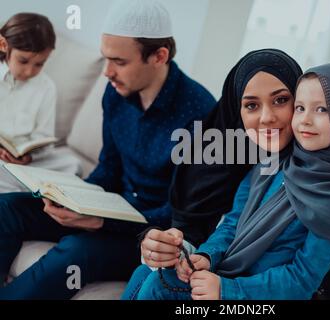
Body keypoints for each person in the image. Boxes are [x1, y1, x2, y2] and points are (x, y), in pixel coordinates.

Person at [0, 0, 216, 299]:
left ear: (159, 56)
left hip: (147, 235)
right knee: (7, 208)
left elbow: (184, 217)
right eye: (105, 59)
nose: (107, 72)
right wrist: (74, 201)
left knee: (74, 251)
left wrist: (102, 221)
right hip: (110, 208)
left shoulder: (202, 116)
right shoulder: (116, 94)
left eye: (119, 62)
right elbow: (109, 169)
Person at [124, 62, 330, 300]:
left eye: (322, 110)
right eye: (300, 108)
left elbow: (303, 280)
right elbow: (232, 224)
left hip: (257, 293)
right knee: (151, 275)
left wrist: (228, 290)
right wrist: (207, 256)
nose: (305, 120)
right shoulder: (272, 163)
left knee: (159, 284)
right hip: (231, 274)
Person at [0, 13, 81, 193]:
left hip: (26, 160)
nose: (29, 71)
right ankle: (24, 187)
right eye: (23, 61)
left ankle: (19, 184)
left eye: (39, 64)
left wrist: (28, 157)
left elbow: (43, 138)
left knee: (72, 164)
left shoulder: (46, 87)